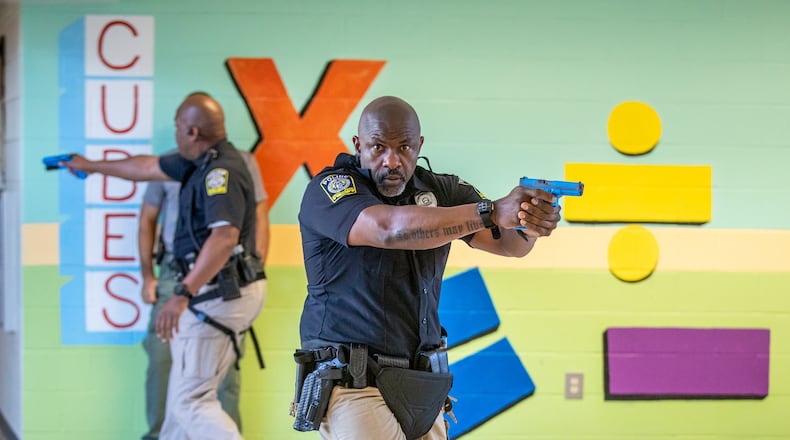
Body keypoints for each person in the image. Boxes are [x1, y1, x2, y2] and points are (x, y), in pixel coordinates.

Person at [293, 96, 562, 440]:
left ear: (419, 145)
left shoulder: (439, 189)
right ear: (358, 146)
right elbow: (388, 229)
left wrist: (531, 217)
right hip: (354, 384)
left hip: (424, 387)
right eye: (378, 147)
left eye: (404, 147)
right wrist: (490, 210)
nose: (392, 160)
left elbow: (508, 244)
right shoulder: (330, 190)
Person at [64, 93, 266, 440]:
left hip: (214, 291)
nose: (173, 132)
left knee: (192, 402)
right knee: (178, 403)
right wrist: (91, 166)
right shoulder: (197, 161)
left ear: (192, 131)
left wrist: (181, 294)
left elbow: (224, 237)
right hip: (204, 288)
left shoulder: (222, 171)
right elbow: (144, 167)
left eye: (176, 126)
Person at [138, 148, 269, 439]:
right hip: (176, 272)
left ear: (195, 131)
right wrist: (148, 275)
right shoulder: (172, 163)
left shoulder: (238, 161)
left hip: (224, 277)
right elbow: (147, 217)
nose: (180, 132)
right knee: (166, 367)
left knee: (215, 381)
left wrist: (254, 267)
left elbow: (258, 215)